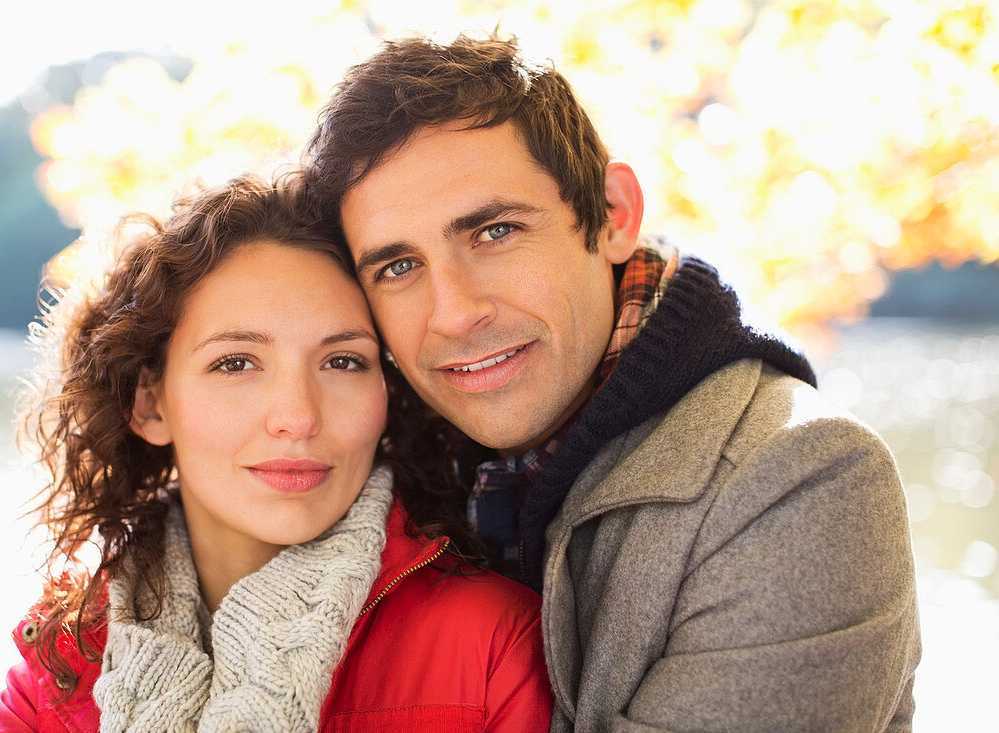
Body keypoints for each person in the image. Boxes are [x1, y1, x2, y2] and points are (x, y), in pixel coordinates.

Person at [304, 35, 922, 731]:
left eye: (496, 231)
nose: (453, 313)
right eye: (396, 267)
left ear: (613, 215)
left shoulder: (796, 480)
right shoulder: (353, 467)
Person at [0, 173, 552, 732]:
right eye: (236, 363)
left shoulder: (493, 646)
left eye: (343, 361)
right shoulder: (58, 670)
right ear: (150, 405)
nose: (298, 417)